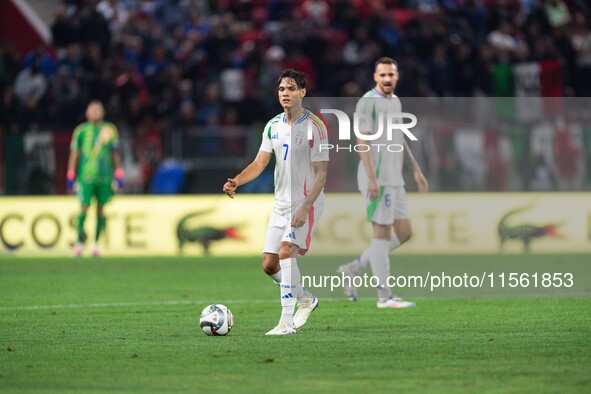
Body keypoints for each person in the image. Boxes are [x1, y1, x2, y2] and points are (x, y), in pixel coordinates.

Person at [223, 69, 329, 335]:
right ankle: (306, 299)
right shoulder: (272, 125)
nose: (285, 93)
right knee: (269, 265)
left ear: (302, 92)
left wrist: (305, 206)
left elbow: (322, 173)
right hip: (281, 204)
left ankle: (286, 322)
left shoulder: (315, 126)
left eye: (291, 88)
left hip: (307, 202)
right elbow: (260, 163)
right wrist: (237, 180)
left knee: (285, 253)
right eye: (282, 89)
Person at [337, 57, 428, 308]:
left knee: (405, 233)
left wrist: (416, 170)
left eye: (391, 75)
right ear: (375, 77)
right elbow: (361, 142)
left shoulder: (395, 102)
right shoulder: (368, 103)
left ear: (396, 77)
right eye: (383, 75)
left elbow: (400, 139)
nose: (387, 79)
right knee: (382, 233)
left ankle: (354, 268)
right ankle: (384, 296)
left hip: (395, 178)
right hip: (376, 177)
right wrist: (372, 178)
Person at [67, 100, 124, 257]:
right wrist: (71, 174)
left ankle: (96, 244)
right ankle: (79, 242)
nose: (95, 112)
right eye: (92, 109)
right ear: (87, 113)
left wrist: (118, 172)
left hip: (105, 177)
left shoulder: (110, 130)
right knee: (83, 208)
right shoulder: (81, 131)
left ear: (103, 112)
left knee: (100, 210)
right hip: (86, 176)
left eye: (98, 109)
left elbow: (115, 153)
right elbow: (74, 154)